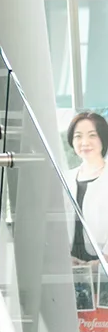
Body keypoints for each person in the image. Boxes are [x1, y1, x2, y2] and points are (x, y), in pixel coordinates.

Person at [68, 110, 108, 308]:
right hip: (71, 269)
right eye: (78, 136)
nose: (85, 142)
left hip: (103, 268)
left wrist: (103, 262)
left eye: (92, 135)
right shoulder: (65, 178)